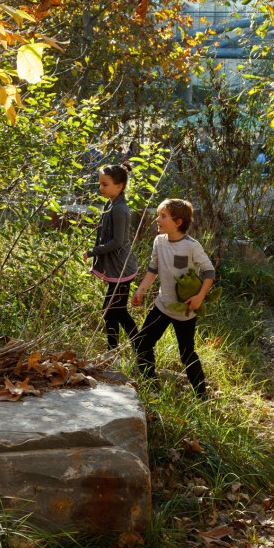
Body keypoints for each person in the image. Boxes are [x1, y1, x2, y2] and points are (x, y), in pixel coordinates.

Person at [131, 199, 215, 397]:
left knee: (187, 354)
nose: (157, 220)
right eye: (159, 215)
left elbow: (209, 271)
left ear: (178, 222)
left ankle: (202, 397)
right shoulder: (159, 242)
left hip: (185, 311)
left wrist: (199, 297)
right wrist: (141, 290)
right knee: (143, 343)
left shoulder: (191, 246)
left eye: (163, 216)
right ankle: (151, 387)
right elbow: (153, 268)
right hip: (162, 306)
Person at [82, 163, 139, 352]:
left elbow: (118, 242)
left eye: (105, 184)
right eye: (100, 184)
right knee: (113, 312)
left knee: (116, 312)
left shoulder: (119, 209)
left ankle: (141, 347)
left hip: (121, 268)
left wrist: (92, 252)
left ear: (119, 186)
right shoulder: (111, 203)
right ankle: (113, 351)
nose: (101, 188)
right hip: (116, 268)